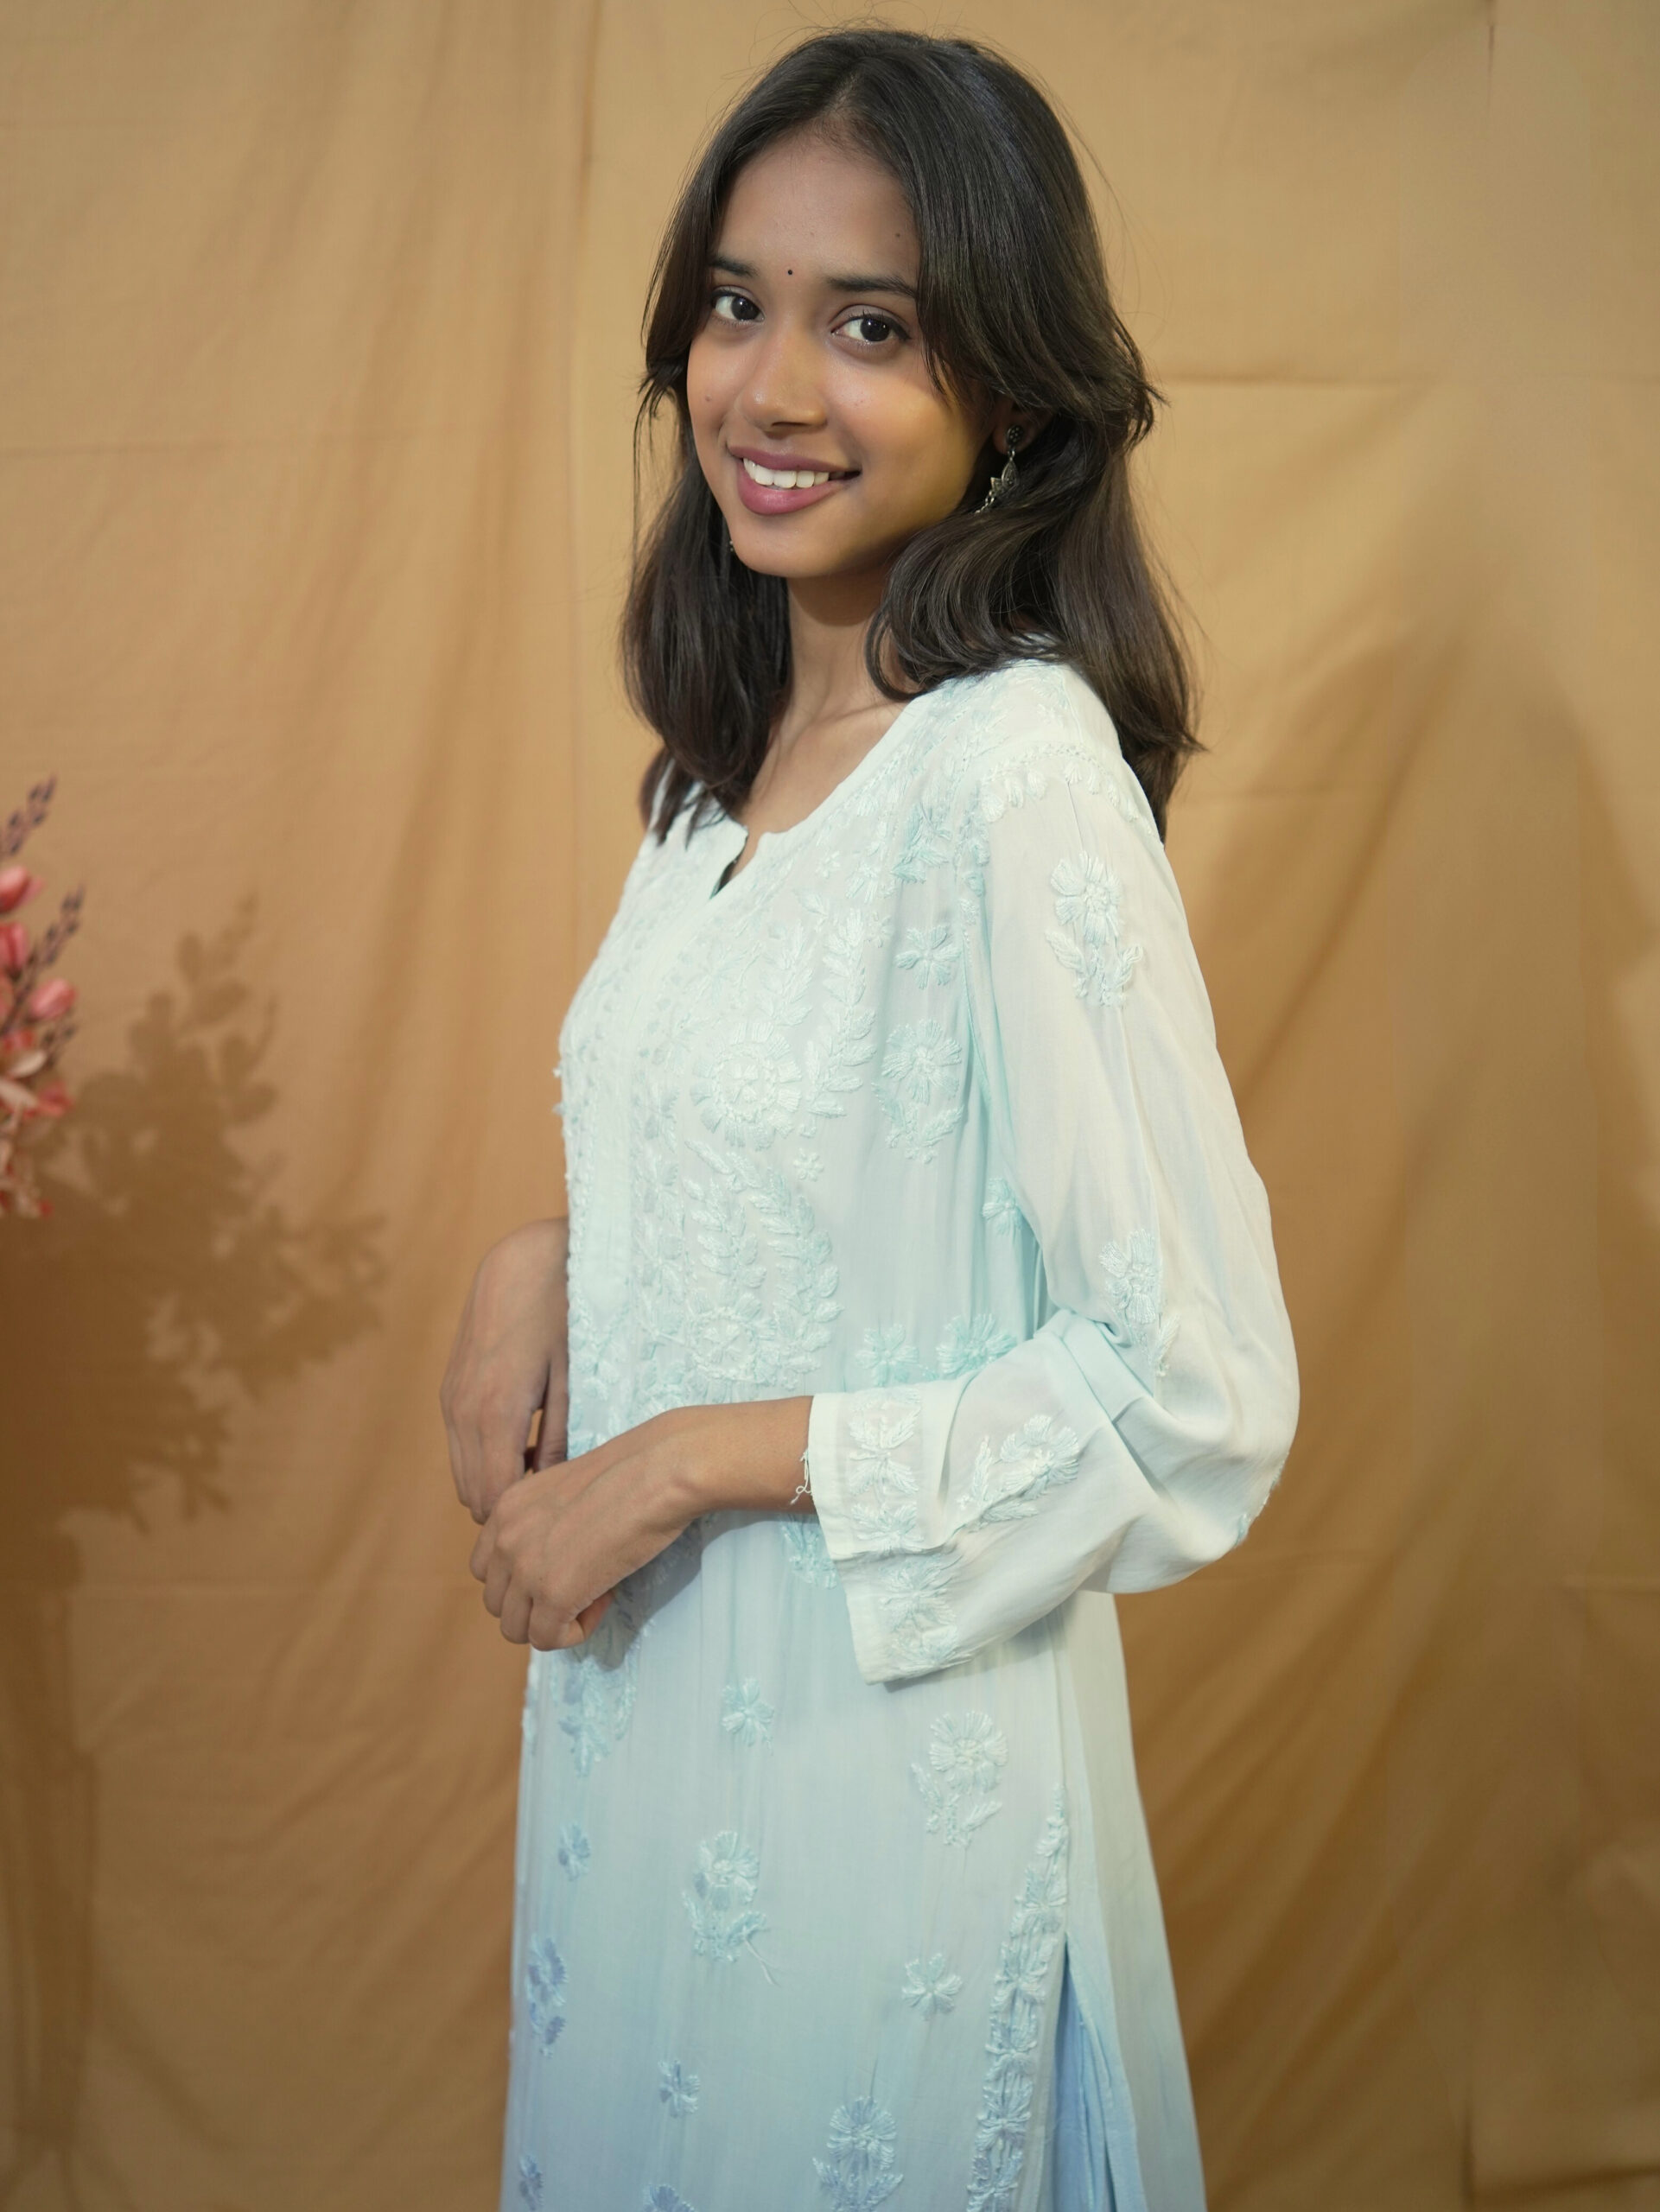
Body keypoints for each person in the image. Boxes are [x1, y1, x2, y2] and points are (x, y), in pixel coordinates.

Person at [439, 29, 1298, 2212]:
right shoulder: (711, 781)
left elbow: (1190, 1388)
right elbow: (808, 1176)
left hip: (877, 1809)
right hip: (643, 1769)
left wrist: (685, 1458)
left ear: (1011, 393)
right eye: (739, 304)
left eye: (872, 326)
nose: (773, 387)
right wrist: (545, 1255)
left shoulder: (1015, 777)